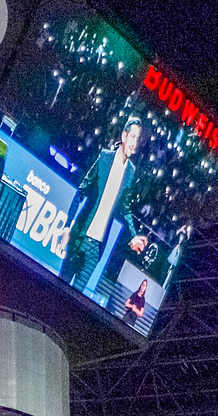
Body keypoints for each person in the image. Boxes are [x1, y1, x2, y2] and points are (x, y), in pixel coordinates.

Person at [63, 119, 152, 294]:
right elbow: (80, 192)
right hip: (80, 235)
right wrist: (67, 226)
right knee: (61, 283)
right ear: (124, 136)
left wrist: (133, 235)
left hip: (97, 247)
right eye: (132, 136)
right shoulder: (104, 157)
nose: (134, 143)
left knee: (76, 295)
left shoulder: (131, 172)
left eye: (138, 139)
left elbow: (125, 208)